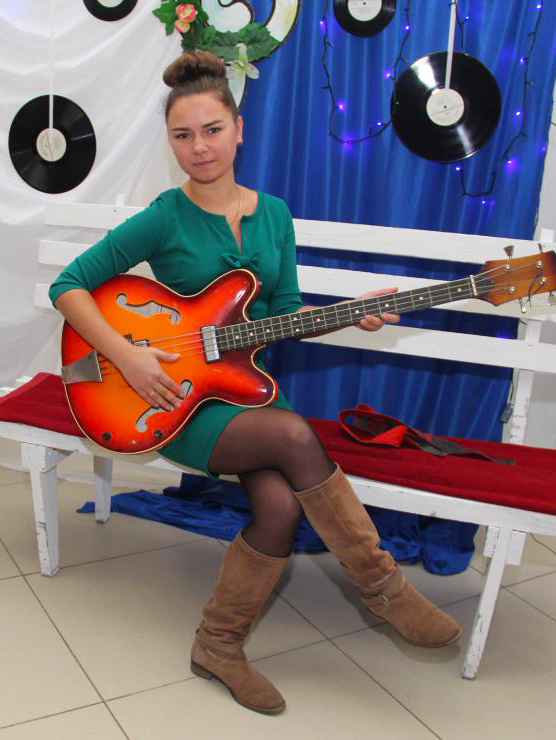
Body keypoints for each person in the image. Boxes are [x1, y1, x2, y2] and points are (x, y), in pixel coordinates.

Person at [49, 50, 461, 715]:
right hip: (179, 402)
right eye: (183, 135)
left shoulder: (274, 215)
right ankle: (382, 590)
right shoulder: (164, 216)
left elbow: (283, 314)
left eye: (212, 129)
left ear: (239, 130)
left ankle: (217, 645)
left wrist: (349, 315)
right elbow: (69, 286)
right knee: (296, 437)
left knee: (279, 508)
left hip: (248, 391)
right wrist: (129, 357)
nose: (199, 147)